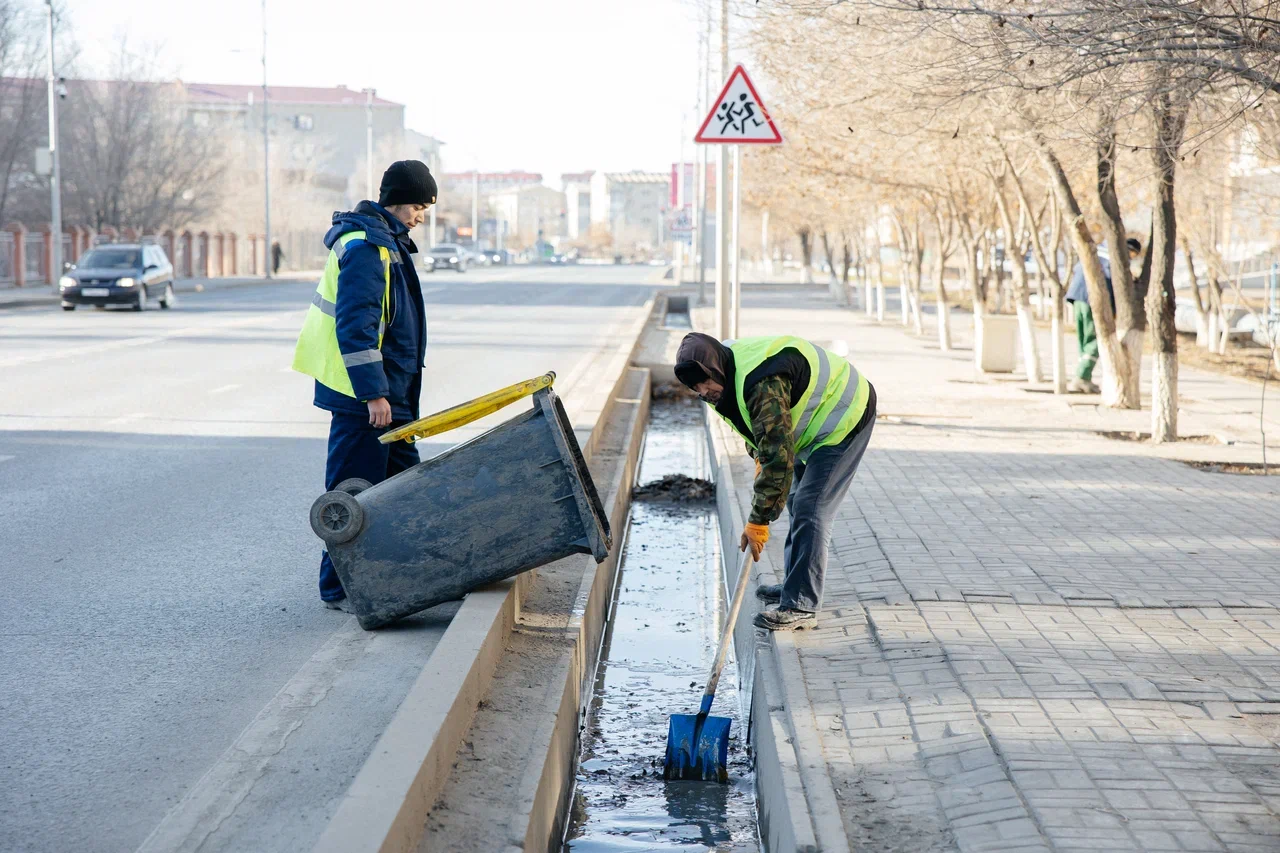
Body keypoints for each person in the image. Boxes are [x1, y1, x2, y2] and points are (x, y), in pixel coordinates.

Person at [292, 160, 435, 609]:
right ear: (397, 201)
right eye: (417, 205)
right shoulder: (368, 247)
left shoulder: (387, 242)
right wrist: (373, 392)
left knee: (403, 490)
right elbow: (357, 326)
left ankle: (402, 577)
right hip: (365, 398)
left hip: (390, 393)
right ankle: (338, 590)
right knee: (355, 494)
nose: (421, 216)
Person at [674, 333, 876, 631]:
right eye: (695, 388)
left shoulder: (761, 382)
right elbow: (754, 426)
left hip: (844, 415)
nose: (703, 391)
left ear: (716, 370)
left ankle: (801, 605)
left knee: (811, 508)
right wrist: (758, 454)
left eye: (705, 382)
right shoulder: (721, 380)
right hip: (813, 424)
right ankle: (794, 586)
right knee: (796, 500)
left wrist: (759, 521)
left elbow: (778, 459)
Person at [1065, 236, 1141, 394]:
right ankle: (1081, 377)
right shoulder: (1116, 257)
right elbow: (1115, 283)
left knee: (1084, 339)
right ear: (1131, 250)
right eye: (1133, 255)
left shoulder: (1100, 249)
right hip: (1094, 299)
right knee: (1097, 339)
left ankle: (1084, 377)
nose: (1131, 258)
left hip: (1077, 296)